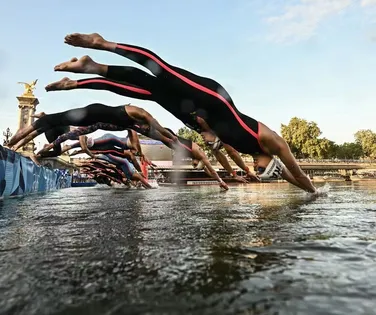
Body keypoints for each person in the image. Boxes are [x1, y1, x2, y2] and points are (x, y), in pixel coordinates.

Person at [46, 32, 317, 193]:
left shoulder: (250, 152)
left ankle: (90, 71)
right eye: (260, 169)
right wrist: (314, 190)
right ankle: (102, 43)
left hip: (196, 116)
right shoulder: (271, 141)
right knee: (161, 72)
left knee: (145, 89)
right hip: (213, 99)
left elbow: (286, 176)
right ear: (269, 160)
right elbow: (297, 171)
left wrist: (212, 142)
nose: (254, 170)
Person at [7, 103, 178, 153]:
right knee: (37, 129)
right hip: (92, 116)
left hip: (91, 118)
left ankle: (11, 145)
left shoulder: (136, 124)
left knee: (38, 128)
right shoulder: (136, 117)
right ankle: (11, 145)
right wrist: (170, 138)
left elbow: (158, 132)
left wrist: (171, 140)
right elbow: (157, 127)